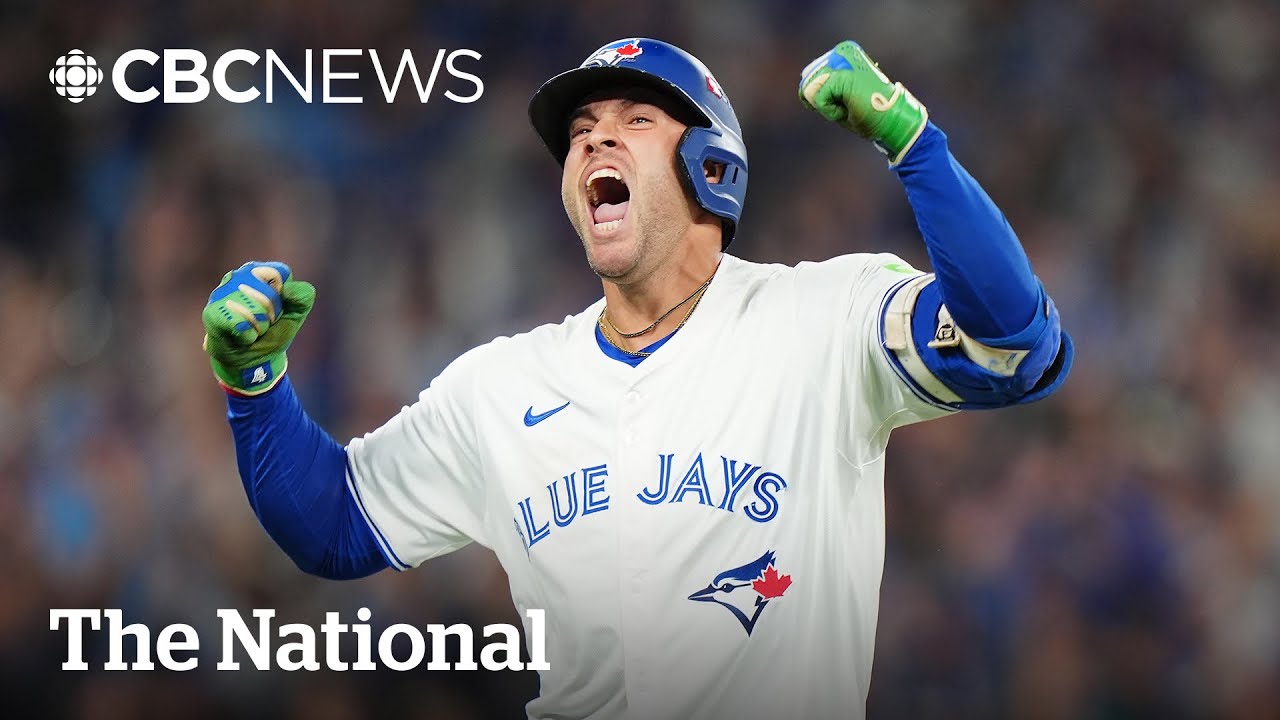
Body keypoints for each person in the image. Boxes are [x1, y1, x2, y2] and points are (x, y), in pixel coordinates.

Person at [202, 38, 1073, 719]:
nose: (594, 142)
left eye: (634, 121)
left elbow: (1011, 343)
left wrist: (911, 140)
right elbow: (333, 525)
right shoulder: (502, 384)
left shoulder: (825, 318)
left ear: (712, 168)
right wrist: (255, 383)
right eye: (580, 134)